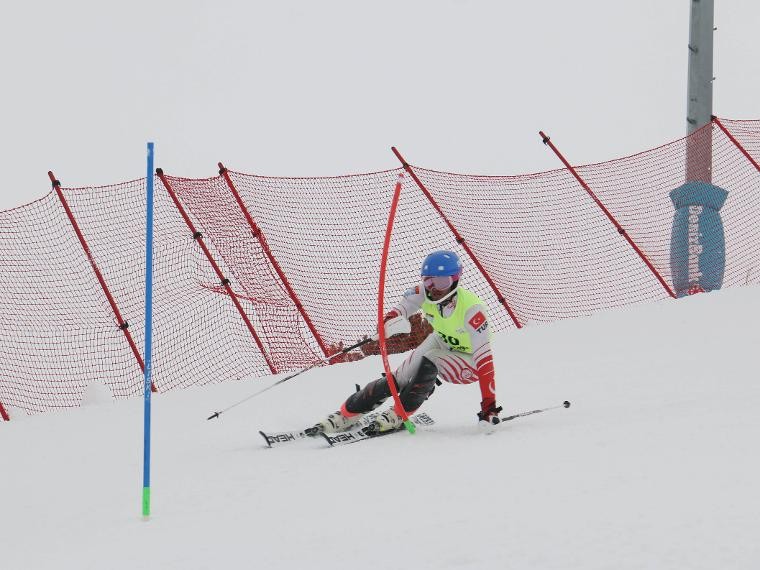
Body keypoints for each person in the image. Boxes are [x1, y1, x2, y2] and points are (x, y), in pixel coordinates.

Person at [312, 250, 501, 434]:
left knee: (431, 360)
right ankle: (347, 414)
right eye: (428, 280)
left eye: (441, 282)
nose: (433, 289)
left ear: (455, 280)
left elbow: (484, 360)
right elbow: (400, 310)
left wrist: (489, 405)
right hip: (442, 341)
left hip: (469, 360)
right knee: (398, 378)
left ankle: (398, 414)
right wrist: (387, 323)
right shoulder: (422, 293)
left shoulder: (472, 310)